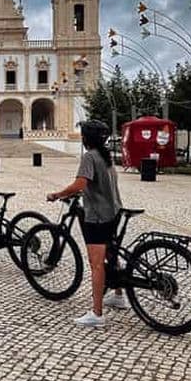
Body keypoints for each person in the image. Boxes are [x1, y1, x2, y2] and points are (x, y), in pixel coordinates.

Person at [47, 120, 125, 327]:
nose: (80, 138)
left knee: (97, 263)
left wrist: (57, 194)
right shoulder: (106, 157)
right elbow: (100, 184)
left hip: (98, 215)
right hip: (114, 211)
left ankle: (97, 314)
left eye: (82, 135)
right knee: (111, 251)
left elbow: (81, 183)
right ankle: (118, 294)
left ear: (86, 138)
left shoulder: (89, 156)